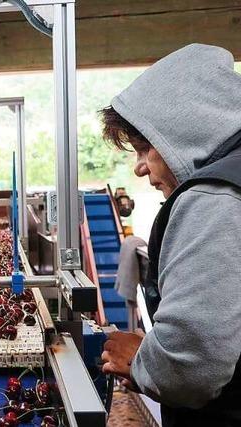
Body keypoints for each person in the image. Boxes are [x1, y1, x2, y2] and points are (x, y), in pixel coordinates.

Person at [99, 44, 241, 425]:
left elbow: (190, 369)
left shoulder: (215, 198)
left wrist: (143, 360)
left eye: (145, 148)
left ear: (187, 130)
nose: (140, 169)